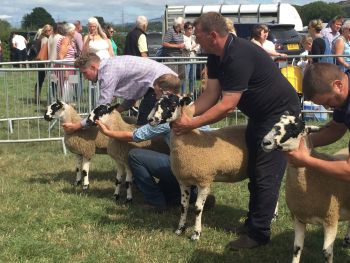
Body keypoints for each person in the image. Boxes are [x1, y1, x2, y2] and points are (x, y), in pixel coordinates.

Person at [171, 12, 300, 250]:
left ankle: (258, 233)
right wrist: (186, 113)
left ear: (213, 35)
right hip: (260, 116)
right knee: (253, 168)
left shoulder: (238, 54)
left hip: (281, 114)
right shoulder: (214, 55)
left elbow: (228, 104)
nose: (196, 41)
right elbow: (211, 94)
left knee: (265, 172)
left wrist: (192, 124)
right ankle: (254, 222)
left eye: (199, 36)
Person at [62, 52, 176, 133]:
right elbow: (135, 94)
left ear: (93, 67)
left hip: (162, 83)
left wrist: (77, 126)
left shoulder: (107, 73)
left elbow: (101, 108)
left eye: (85, 73)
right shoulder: (108, 65)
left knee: (144, 126)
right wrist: (116, 111)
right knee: (145, 123)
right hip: (160, 82)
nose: (85, 78)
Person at [286, 63, 350, 181]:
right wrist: (305, 142)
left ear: (338, 85)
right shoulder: (344, 92)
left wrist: (307, 161)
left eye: (327, 101)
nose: (328, 108)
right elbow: (336, 128)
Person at [162, 17, 185, 83]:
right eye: (183, 23)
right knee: (172, 77)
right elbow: (164, 43)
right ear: (179, 24)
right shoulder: (170, 31)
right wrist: (178, 46)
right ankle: (171, 92)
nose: (184, 24)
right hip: (171, 57)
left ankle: (177, 91)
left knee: (181, 76)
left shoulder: (180, 32)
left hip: (180, 57)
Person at [34, 24, 53, 103]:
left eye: (50, 30)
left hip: (43, 62)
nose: (48, 32)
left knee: (40, 80)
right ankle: (37, 98)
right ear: (44, 31)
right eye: (46, 31)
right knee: (41, 80)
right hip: (44, 62)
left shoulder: (43, 38)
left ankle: (37, 97)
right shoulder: (44, 39)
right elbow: (44, 52)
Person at [183, 21, 199, 96]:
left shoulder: (193, 37)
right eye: (189, 28)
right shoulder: (183, 37)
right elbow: (187, 48)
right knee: (185, 78)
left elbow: (198, 47)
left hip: (193, 59)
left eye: (192, 28)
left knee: (192, 77)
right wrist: (193, 46)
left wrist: (193, 47)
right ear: (185, 29)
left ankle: (191, 92)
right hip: (186, 60)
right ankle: (183, 93)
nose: (191, 30)